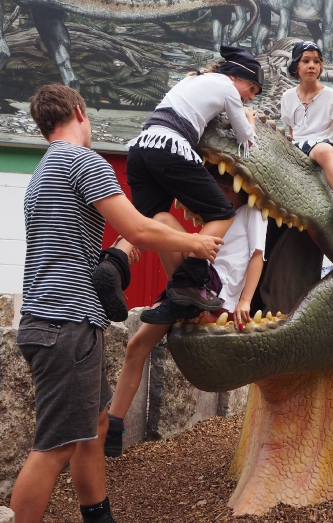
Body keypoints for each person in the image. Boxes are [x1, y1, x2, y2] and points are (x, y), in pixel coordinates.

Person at [10, 84, 223, 523]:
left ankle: (99, 516)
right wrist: (194, 243)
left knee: (95, 427)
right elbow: (139, 229)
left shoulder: (44, 171)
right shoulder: (84, 161)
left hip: (50, 320)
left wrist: (120, 255)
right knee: (55, 448)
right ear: (79, 111)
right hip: (66, 322)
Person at [103, 169, 267, 457]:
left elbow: (257, 256)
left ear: (235, 189)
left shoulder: (252, 213)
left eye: (221, 190)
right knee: (136, 346)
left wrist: (245, 301)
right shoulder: (219, 215)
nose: (216, 195)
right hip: (187, 282)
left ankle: (140, 265)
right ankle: (114, 428)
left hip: (213, 289)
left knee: (162, 221)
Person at [94, 44, 262, 326]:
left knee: (144, 220)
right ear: (235, 77)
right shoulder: (228, 88)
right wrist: (250, 119)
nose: (251, 96)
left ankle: (113, 264)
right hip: (170, 147)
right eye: (252, 88)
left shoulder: (193, 80)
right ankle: (189, 281)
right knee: (223, 213)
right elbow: (246, 138)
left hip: (141, 148)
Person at [280, 40, 333, 224]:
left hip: (322, 142)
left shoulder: (330, 94)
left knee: (323, 151)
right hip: (297, 145)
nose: (312, 65)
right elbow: (292, 129)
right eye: (306, 61)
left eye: (316, 61)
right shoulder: (287, 96)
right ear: (296, 65)